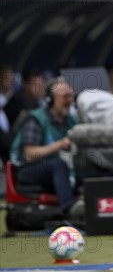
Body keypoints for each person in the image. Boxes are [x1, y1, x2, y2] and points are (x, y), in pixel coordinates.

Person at [10, 77, 83, 218]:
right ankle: (69, 209)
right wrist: (59, 145)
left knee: (85, 169)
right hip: (28, 171)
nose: (70, 101)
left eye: (71, 96)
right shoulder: (36, 119)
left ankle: (93, 209)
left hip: (59, 170)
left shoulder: (71, 121)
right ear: (51, 99)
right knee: (57, 165)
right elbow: (29, 154)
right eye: (65, 97)